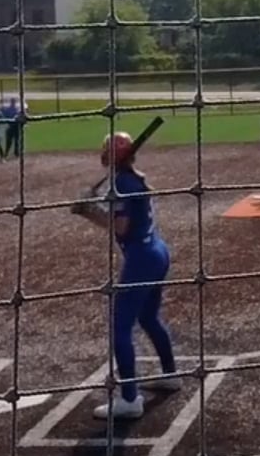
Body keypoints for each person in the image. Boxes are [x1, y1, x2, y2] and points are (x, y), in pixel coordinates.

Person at [75, 131, 181, 421]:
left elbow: (121, 227)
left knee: (120, 328)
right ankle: (170, 374)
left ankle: (130, 400)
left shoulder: (123, 182)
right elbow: (124, 222)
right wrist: (94, 208)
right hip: (156, 252)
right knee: (148, 318)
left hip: (142, 259)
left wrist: (89, 211)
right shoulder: (134, 178)